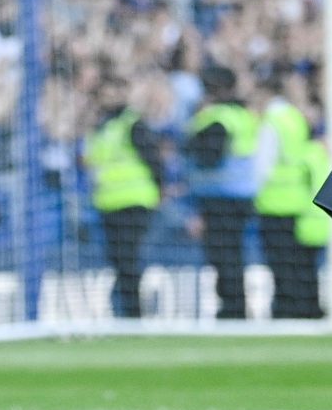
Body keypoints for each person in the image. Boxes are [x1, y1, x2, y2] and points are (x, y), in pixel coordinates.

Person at [183, 64, 272, 320]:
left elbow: (209, 156)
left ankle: (232, 308)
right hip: (243, 195)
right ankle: (236, 305)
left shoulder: (216, 117)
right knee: (233, 253)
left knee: (223, 255)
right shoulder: (244, 115)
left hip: (220, 196)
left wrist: (191, 143)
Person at [82, 84, 163, 320]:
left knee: (128, 257)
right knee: (119, 258)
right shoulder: (98, 129)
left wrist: (159, 188)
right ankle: (128, 311)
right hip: (108, 203)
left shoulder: (132, 124)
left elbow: (153, 158)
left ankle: (134, 313)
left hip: (135, 200)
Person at [253, 77, 324, 319]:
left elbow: (262, 165)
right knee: (299, 264)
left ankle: (286, 311)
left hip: (274, 204)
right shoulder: (296, 119)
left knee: (280, 265)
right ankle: (307, 309)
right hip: (298, 203)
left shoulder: (272, 121)